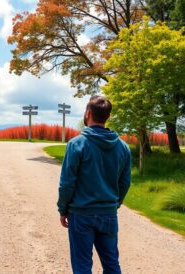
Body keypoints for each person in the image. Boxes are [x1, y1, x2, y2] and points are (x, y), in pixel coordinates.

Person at [57, 95, 131, 274]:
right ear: (108, 116)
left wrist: (63, 209)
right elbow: (125, 183)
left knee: (82, 266)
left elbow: (67, 183)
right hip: (108, 214)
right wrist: (114, 204)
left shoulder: (76, 144)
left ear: (87, 114)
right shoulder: (123, 147)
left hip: (81, 215)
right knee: (112, 264)